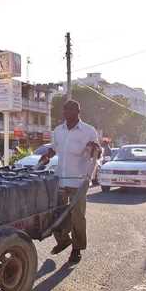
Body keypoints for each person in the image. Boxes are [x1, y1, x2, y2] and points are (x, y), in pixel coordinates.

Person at [38, 100, 100, 264]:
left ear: (78, 112)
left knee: (77, 216)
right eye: (65, 109)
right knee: (56, 213)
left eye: (71, 110)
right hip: (60, 178)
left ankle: (77, 249)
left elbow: (96, 153)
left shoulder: (88, 131)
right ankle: (63, 239)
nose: (67, 112)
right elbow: (54, 148)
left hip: (78, 180)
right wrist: (47, 155)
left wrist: (95, 148)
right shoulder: (59, 130)